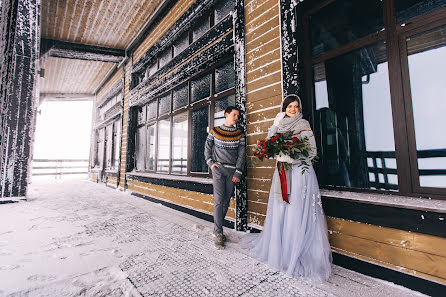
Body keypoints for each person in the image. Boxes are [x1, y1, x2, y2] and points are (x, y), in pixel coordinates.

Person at [243, 94, 332, 282]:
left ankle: (296, 251)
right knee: (282, 209)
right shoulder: (280, 122)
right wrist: (275, 125)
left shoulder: (303, 124)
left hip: (299, 173)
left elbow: (312, 150)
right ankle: (282, 250)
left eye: (296, 106)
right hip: (283, 172)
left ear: (299, 109)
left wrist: (292, 156)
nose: (293, 109)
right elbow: (268, 144)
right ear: (284, 107)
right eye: (289, 106)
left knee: (296, 209)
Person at [204, 106, 245, 250]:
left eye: (237, 116)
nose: (236, 118)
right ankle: (218, 232)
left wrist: (238, 172)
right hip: (219, 170)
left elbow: (241, 154)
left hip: (232, 171)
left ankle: (217, 228)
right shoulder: (215, 131)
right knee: (219, 200)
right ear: (226, 115)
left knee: (226, 201)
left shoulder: (239, 133)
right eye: (234, 115)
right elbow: (207, 148)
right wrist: (210, 163)